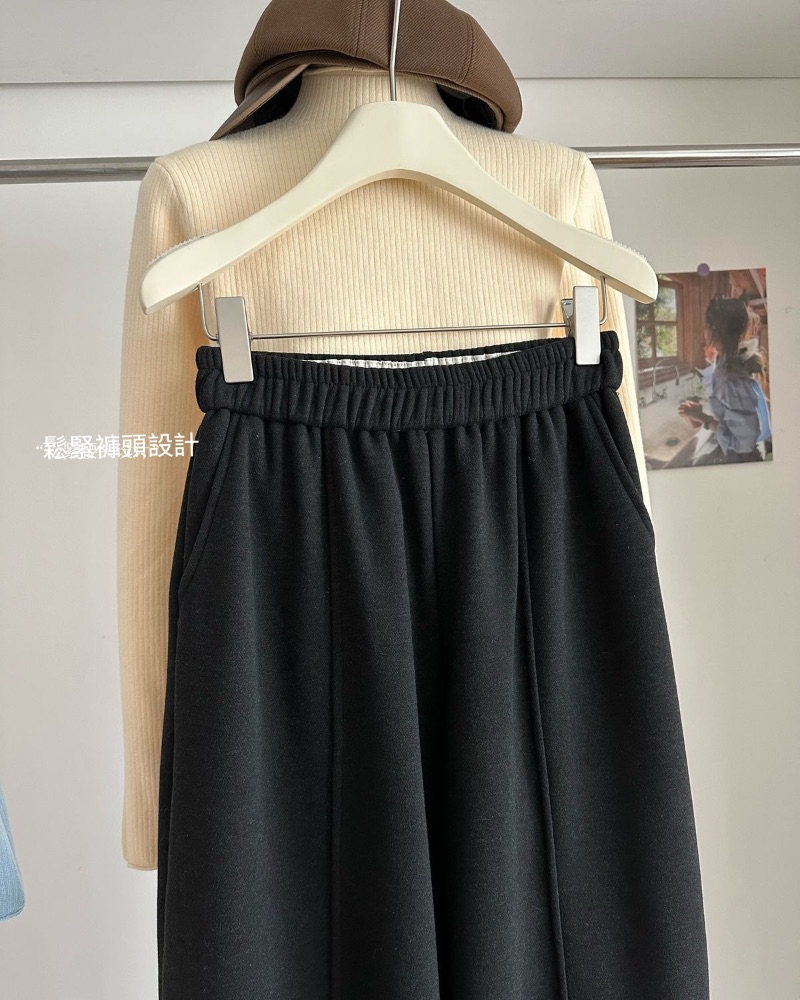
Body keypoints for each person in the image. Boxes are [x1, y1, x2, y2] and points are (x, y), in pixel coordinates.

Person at [678, 293, 771, 464]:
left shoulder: (732, 378)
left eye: (706, 325)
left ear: (714, 329)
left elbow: (744, 444)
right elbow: (731, 405)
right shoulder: (730, 360)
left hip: (744, 459)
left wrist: (704, 419)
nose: (704, 330)